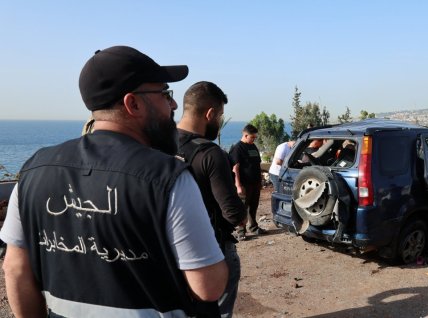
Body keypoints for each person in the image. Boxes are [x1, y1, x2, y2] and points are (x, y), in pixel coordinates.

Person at [0, 46, 228, 317]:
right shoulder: (168, 179)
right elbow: (208, 287)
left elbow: (15, 269)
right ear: (133, 104)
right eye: (165, 94)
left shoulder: (33, 171)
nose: (174, 105)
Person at [177, 81, 247, 317]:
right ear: (210, 114)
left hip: (172, 250)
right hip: (212, 249)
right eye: (220, 116)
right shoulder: (210, 153)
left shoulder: (158, 145)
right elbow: (234, 214)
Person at [230, 124, 265, 240]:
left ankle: (253, 227)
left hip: (255, 183)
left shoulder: (253, 147)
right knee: (242, 208)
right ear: (245, 135)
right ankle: (241, 230)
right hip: (244, 184)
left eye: (255, 137)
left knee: (253, 207)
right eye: (252, 137)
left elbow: (257, 164)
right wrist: (238, 185)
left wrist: (260, 180)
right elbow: (235, 168)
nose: (254, 139)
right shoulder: (237, 148)